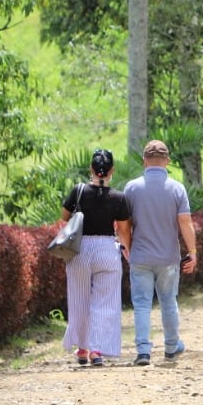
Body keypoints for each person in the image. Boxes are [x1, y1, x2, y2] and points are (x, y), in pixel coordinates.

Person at [122, 140, 198, 367]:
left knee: (142, 304)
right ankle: (172, 346)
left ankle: (143, 351)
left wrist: (128, 248)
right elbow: (185, 222)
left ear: (144, 160)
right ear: (168, 161)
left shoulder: (132, 188)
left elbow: (123, 226)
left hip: (141, 256)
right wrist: (192, 252)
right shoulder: (177, 188)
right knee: (168, 301)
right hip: (168, 258)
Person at [60, 149, 132, 367]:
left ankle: (82, 349)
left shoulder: (78, 191)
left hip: (80, 249)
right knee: (105, 301)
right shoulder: (119, 198)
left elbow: (64, 217)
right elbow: (123, 229)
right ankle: (97, 350)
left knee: (79, 299)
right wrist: (127, 249)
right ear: (112, 171)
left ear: (91, 169)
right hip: (107, 249)